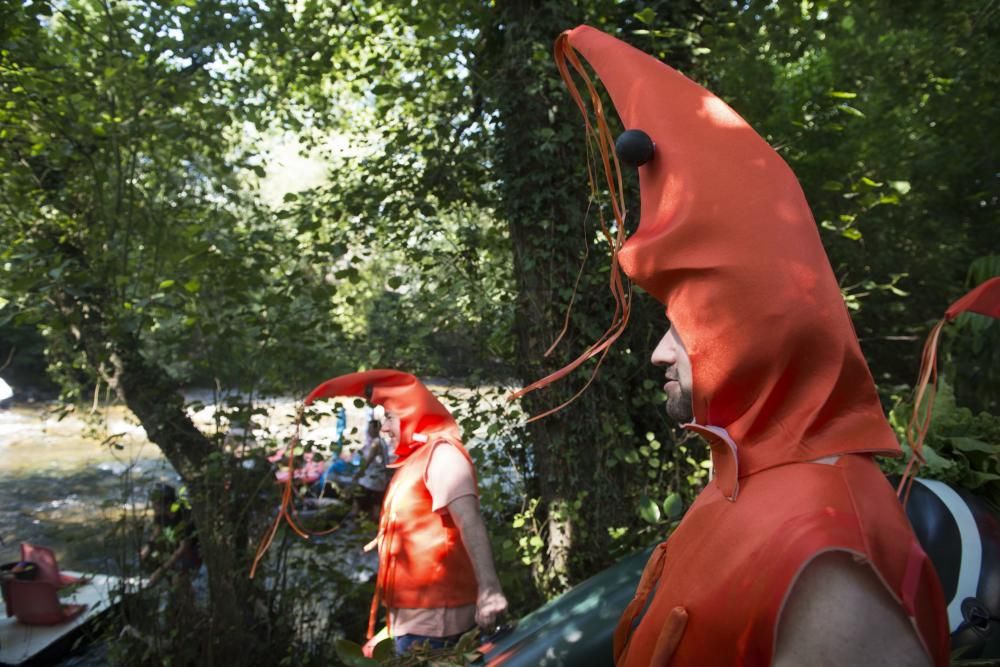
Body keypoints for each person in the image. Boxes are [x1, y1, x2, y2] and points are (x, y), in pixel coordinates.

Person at [515, 25, 950, 666]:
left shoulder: (827, 548)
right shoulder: (746, 476)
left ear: (754, 329)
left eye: (681, 323)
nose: (660, 353)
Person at [302, 370, 508, 656]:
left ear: (411, 412)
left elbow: (469, 520)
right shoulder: (415, 458)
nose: (384, 428)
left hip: (437, 626)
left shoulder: (442, 455)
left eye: (389, 417)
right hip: (412, 624)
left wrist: (489, 589)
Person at [352, 417, 391, 521]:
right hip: (377, 479)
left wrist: (358, 473)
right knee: (375, 504)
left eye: (370, 428)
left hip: (372, 480)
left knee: (360, 501)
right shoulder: (381, 442)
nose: (368, 431)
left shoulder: (376, 443)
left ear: (376, 429)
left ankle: (356, 522)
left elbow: (368, 461)